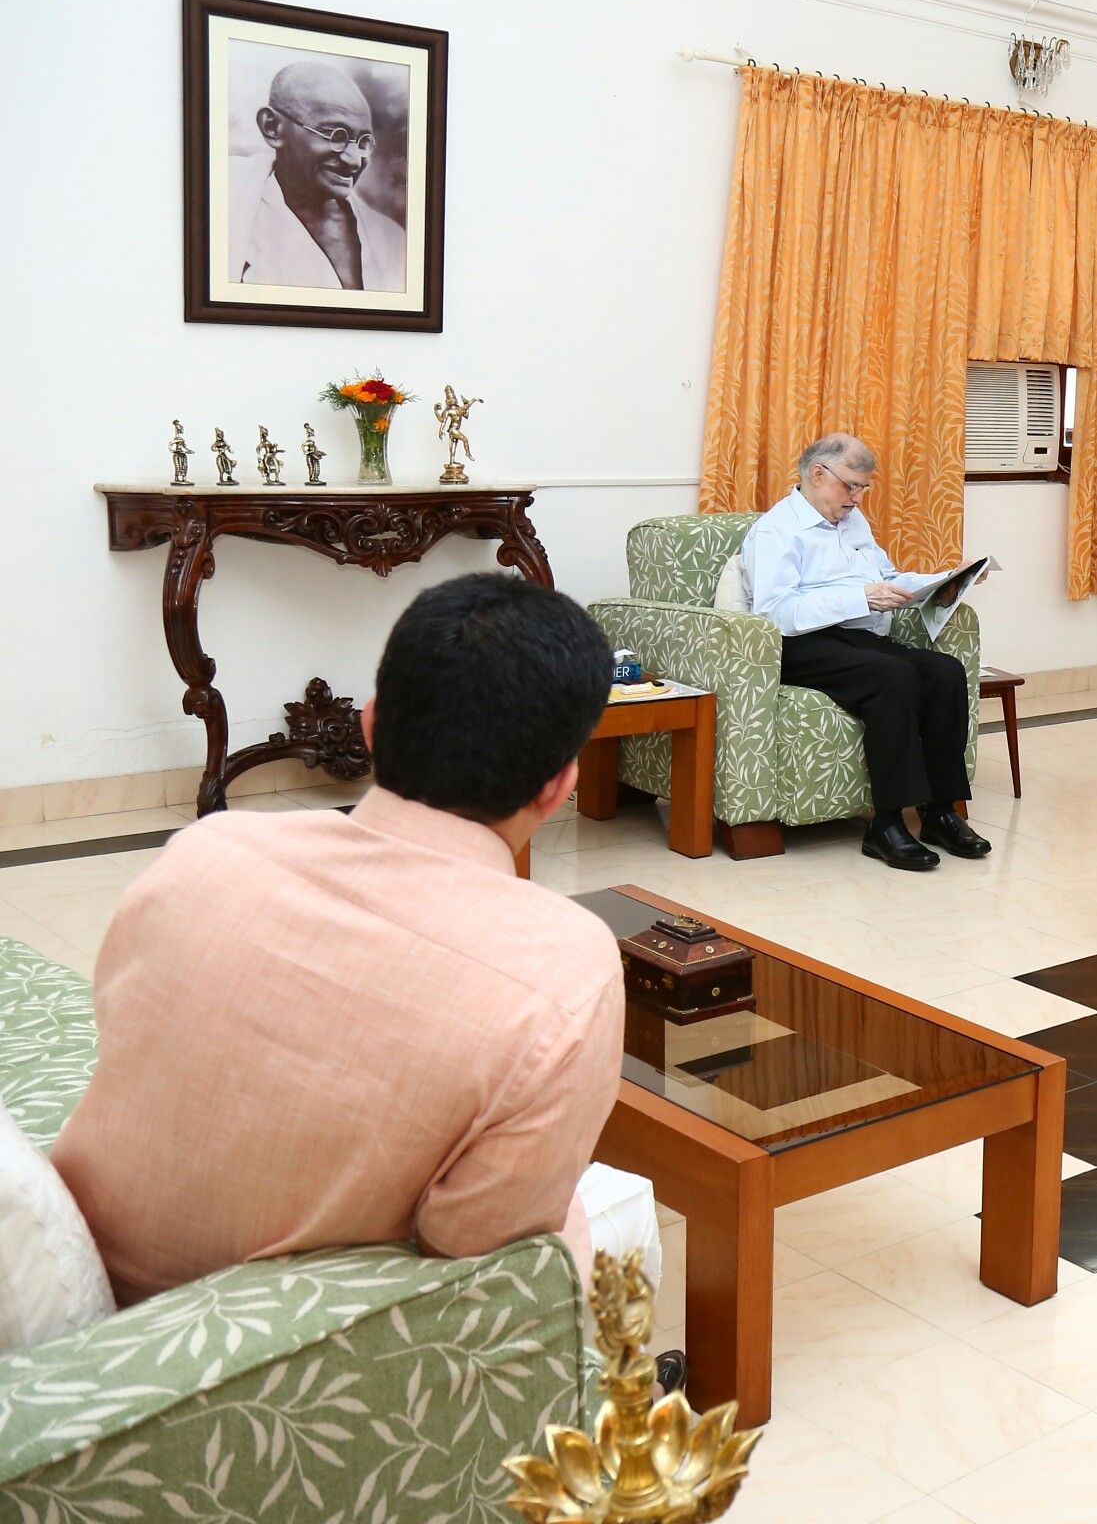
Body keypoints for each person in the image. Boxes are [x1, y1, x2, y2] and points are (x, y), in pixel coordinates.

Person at [55, 574, 647, 1306]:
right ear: (560, 786)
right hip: (264, 1366)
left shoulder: (209, 851)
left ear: (370, 726)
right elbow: (477, 1242)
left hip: (76, 1273)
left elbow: (123, 1021)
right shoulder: (566, 967)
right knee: (616, 1220)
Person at [742, 434, 986, 871]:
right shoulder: (776, 531)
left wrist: (943, 581)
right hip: (799, 645)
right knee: (892, 675)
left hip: (855, 637)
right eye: (851, 487)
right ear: (818, 475)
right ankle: (886, 825)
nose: (856, 499)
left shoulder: (853, 523)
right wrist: (861, 599)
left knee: (944, 671)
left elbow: (886, 576)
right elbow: (775, 613)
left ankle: (940, 811)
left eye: (862, 489)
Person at [234, 59, 409, 292]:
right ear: (272, 127)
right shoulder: (225, 197)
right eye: (336, 136)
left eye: (364, 141)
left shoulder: (391, 240)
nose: (353, 160)